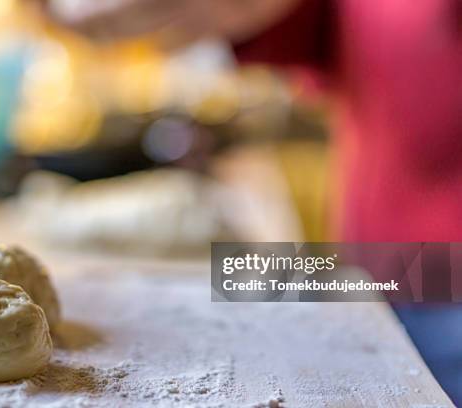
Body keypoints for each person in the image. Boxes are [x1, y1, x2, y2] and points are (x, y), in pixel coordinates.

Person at [48, 0, 462, 403]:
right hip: (376, 264)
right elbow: (339, 31)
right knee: (227, 302)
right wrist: (253, 12)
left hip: (447, 281)